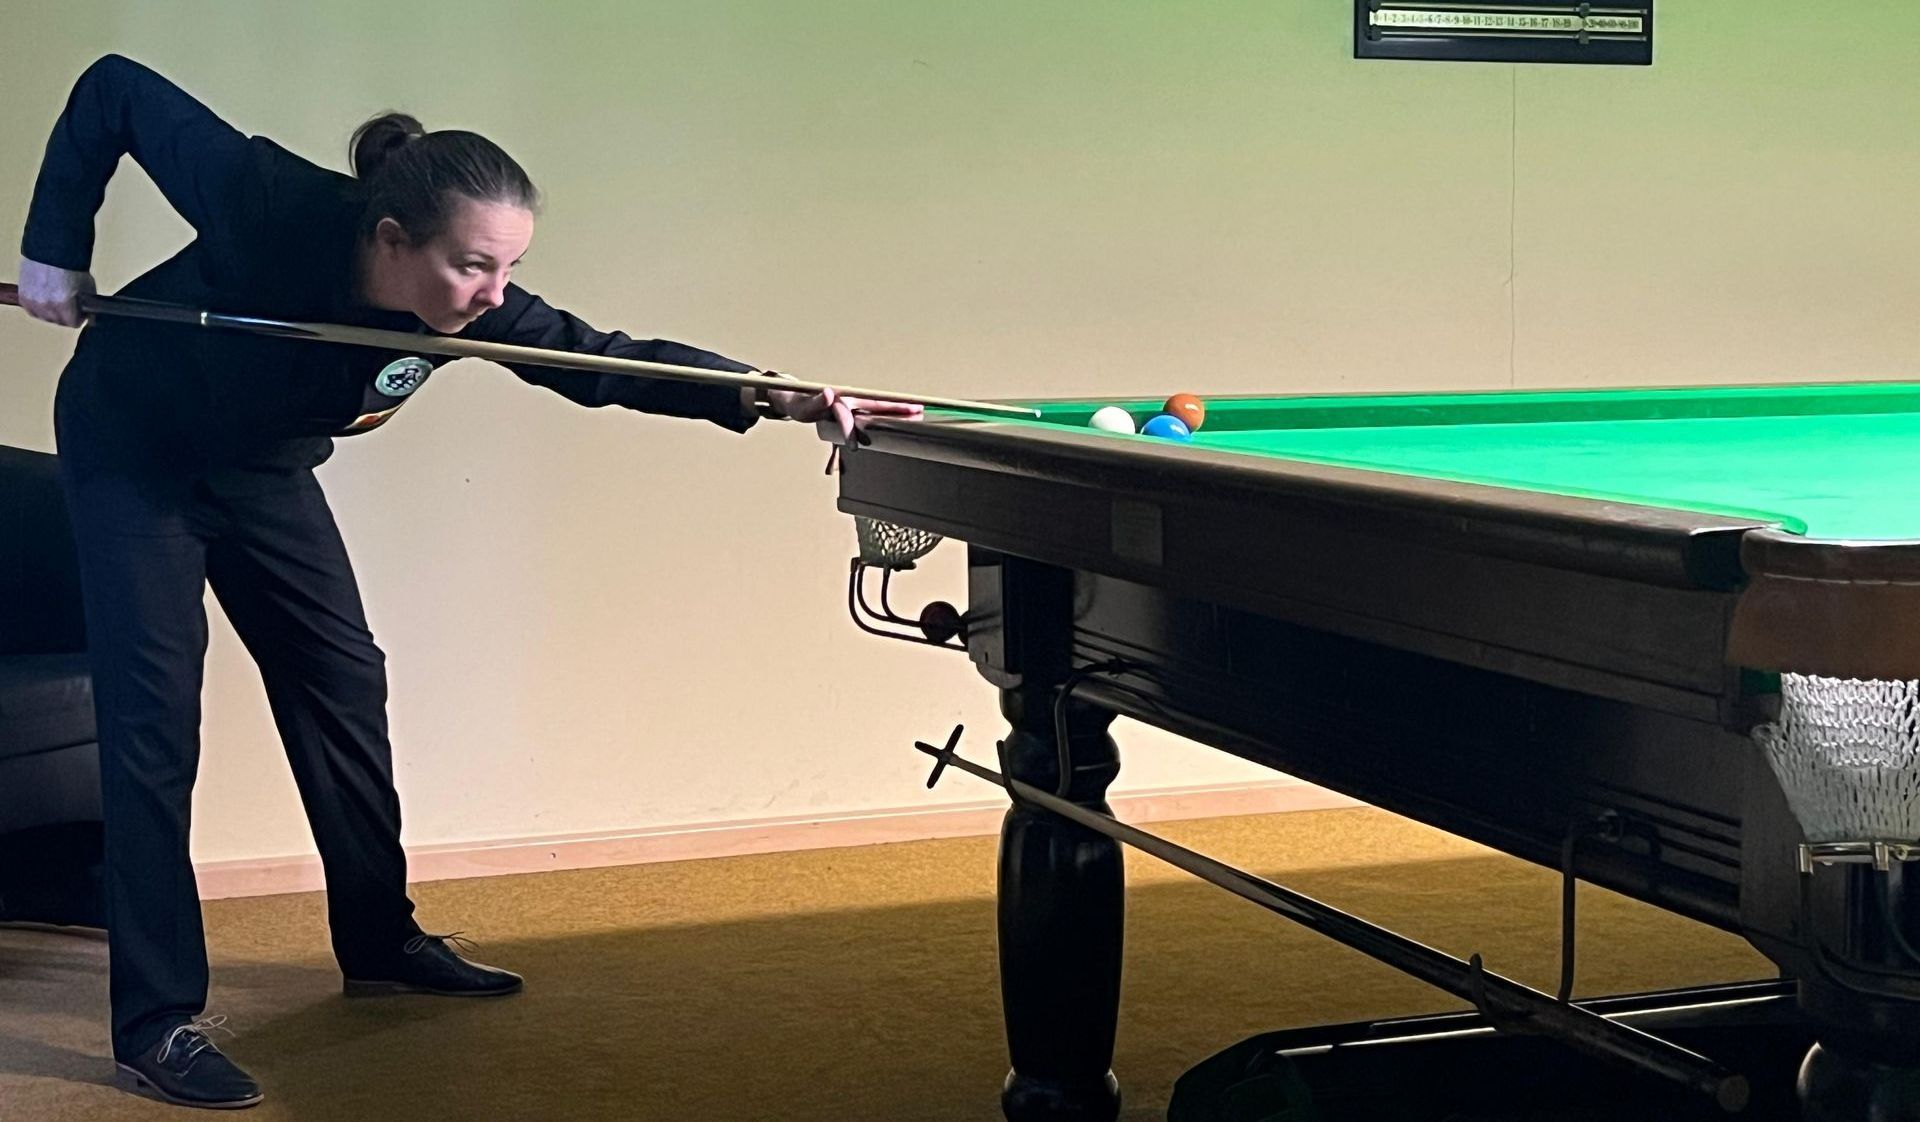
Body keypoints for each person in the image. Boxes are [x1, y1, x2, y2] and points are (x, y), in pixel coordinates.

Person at [13, 53, 918, 1110]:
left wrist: (771, 395)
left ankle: (380, 939)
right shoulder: (266, 199)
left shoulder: (474, 306)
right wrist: (53, 250)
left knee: (344, 678)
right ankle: (156, 1022)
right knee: (154, 718)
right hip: (136, 451)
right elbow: (115, 88)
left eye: (506, 270)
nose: (493, 296)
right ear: (392, 240)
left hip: (260, 467)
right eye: (472, 268)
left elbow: (601, 360)